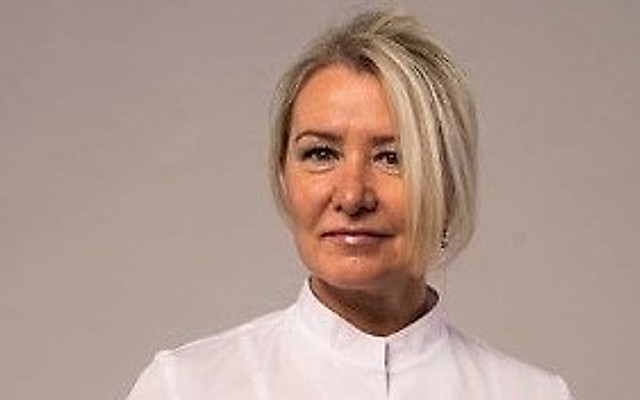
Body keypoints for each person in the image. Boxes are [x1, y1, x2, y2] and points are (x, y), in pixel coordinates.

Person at [125, 9, 574, 400]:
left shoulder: (532, 394)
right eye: (321, 153)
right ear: (283, 176)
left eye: (392, 157)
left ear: (449, 182)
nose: (352, 195)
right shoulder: (186, 387)